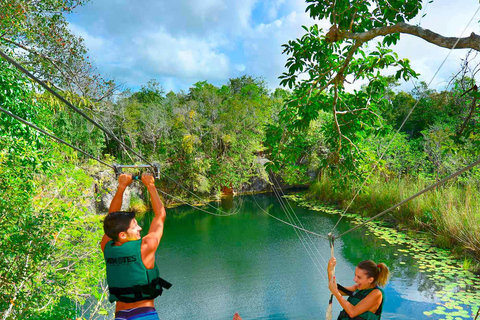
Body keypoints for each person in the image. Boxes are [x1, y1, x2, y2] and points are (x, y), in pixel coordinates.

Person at [101, 173, 171, 320]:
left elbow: (111, 219)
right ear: (122, 235)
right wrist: (150, 186)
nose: (139, 228)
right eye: (135, 226)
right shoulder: (145, 247)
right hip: (144, 315)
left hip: (120, 316)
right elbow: (160, 216)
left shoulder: (107, 246)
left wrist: (121, 187)